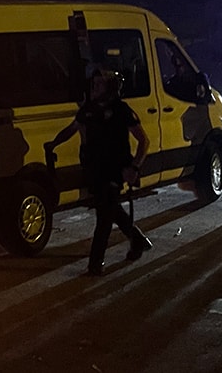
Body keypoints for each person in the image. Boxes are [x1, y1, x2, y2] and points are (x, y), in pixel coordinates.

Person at [44, 68, 152, 276]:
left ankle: (95, 263)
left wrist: (135, 167)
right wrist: (53, 144)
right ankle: (137, 240)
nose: (95, 87)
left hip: (115, 170)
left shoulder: (122, 110)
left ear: (111, 87)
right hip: (94, 169)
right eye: (94, 83)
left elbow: (143, 141)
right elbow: (73, 128)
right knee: (112, 209)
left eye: (100, 84)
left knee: (103, 216)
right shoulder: (89, 109)